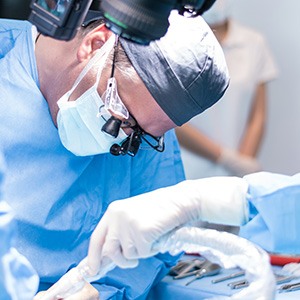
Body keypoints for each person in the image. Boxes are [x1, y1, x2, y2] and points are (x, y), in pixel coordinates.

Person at [0, 7, 229, 300]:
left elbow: (154, 249)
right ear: (95, 45)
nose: (121, 140)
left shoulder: (145, 125)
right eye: (122, 117)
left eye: (142, 137)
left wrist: (103, 292)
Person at [176, 0, 278, 179]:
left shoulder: (253, 42)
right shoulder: (173, 43)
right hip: (186, 169)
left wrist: (242, 163)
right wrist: (224, 158)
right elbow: (168, 116)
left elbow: (257, 115)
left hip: (237, 172)